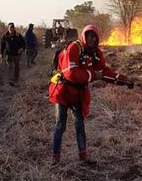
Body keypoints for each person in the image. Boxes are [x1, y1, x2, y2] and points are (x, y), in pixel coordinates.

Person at [48, 24, 133, 165]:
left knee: (79, 124)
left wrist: (124, 80)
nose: (93, 39)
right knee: (60, 125)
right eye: (90, 36)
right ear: (84, 36)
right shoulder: (74, 48)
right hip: (63, 90)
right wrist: (94, 75)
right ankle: (55, 159)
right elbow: (71, 74)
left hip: (78, 93)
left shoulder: (95, 54)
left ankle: (83, 157)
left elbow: (105, 72)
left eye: (95, 37)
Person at [0, 22, 26, 87]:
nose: (11, 29)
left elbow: (24, 44)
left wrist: (21, 49)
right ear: (8, 28)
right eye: (10, 28)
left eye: (12, 28)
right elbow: (2, 45)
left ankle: (16, 80)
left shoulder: (18, 35)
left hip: (17, 54)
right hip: (8, 54)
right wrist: (1, 53)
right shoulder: (5, 36)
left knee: (17, 67)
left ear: (14, 28)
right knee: (10, 66)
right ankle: (10, 80)